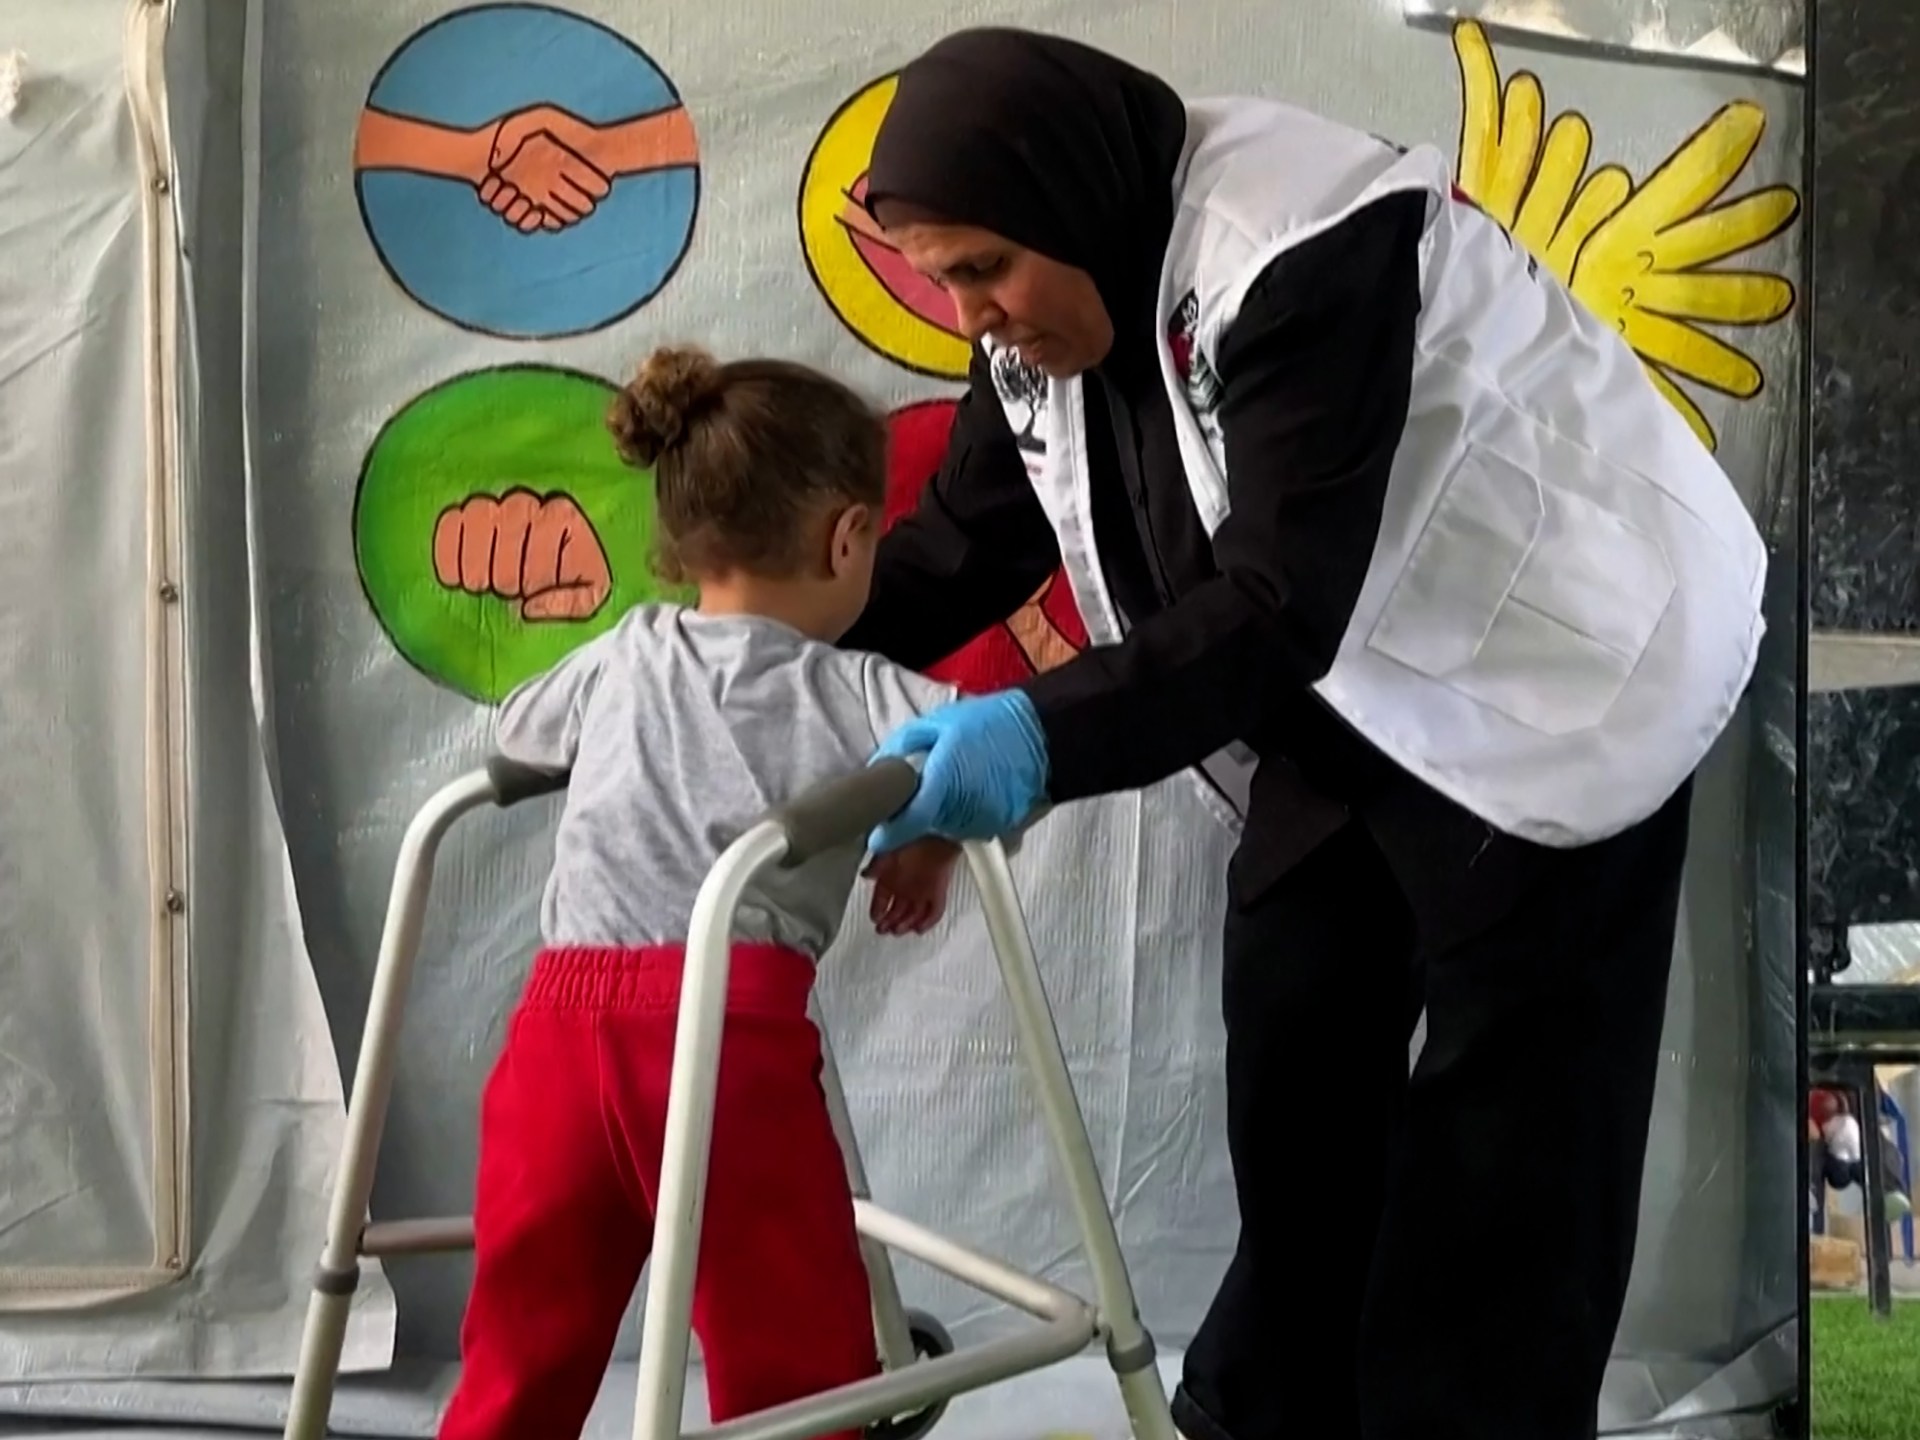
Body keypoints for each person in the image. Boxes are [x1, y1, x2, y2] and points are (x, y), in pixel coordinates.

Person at [838, 27, 1769, 1440]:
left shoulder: (1296, 245)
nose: (974, 314)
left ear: (1066, 198)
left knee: (1510, 1143)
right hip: (1349, 686)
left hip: (1557, 669)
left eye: (986, 270)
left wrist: (1034, 739)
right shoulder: (1045, 301)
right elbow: (966, 544)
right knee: (1296, 1054)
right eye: (945, 279)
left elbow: (1278, 600)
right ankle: (1268, 1417)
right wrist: (757, 638)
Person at [439, 346, 965, 1440]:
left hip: (556, 1039)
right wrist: (926, 840)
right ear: (848, 539)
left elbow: (519, 730)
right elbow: (977, 757)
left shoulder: (624, 653)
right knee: (792, 1343)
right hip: (729, 1037)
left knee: (525, 1337)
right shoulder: (855, 688)